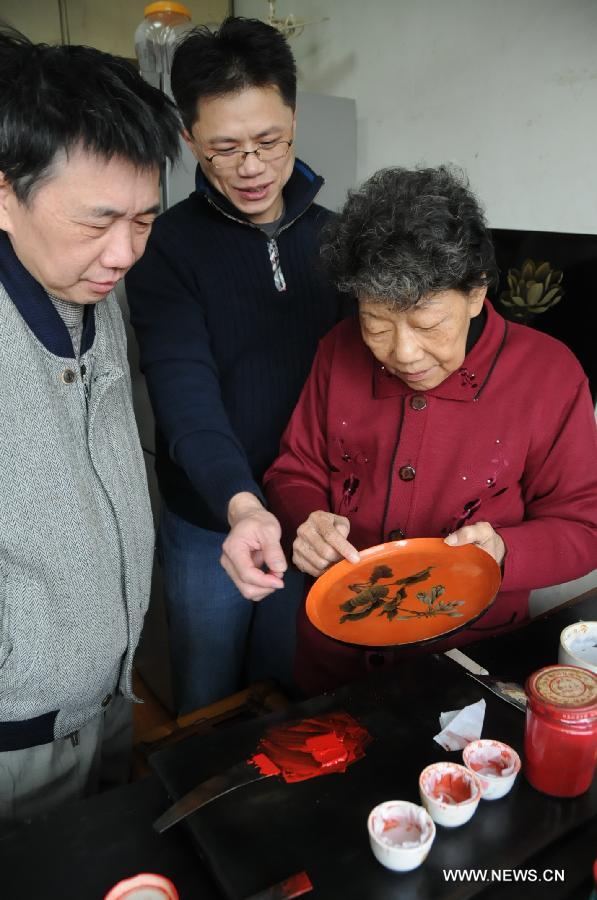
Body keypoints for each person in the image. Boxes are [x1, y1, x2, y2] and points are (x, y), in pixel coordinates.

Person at [264, 165, 597, 697]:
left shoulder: (549, 376)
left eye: (426, 324)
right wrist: (307, 520)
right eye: (377, 324)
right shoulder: (336, 350)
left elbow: (585, 526)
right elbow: (294, 468)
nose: (403, 353)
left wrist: (505, 552)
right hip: (335, 656)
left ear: (475, 293)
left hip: (469, 661)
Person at [125, 17, 349, 712]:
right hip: (209, 517)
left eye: (268, 142)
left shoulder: (337, 239)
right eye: (224, 149)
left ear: (292, 119)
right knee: (207, 698)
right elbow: (183, 391)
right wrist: (242, 503)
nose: (251, 168)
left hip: (311, 516)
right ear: (189, 140)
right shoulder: (166, 248)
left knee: (288, 687)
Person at [0, 28, 180, 829]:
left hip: (106, 694)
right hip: (16, 734)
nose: (122, 254)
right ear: (5, 192)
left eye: (144, 221)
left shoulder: (91, 288)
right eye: (98, 221)